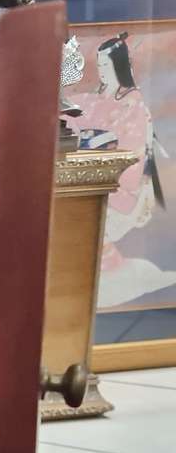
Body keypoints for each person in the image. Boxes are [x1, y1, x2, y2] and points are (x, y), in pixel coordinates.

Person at [68, 32, 174, 309]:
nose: (102, 71)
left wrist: (100, 145)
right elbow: (75, 115)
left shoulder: (133, 102)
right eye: (100, 65)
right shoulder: (97, 94)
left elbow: (133, 148)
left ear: (119, 65)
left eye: (106, 65)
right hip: (88, 166)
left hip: (120, 178)